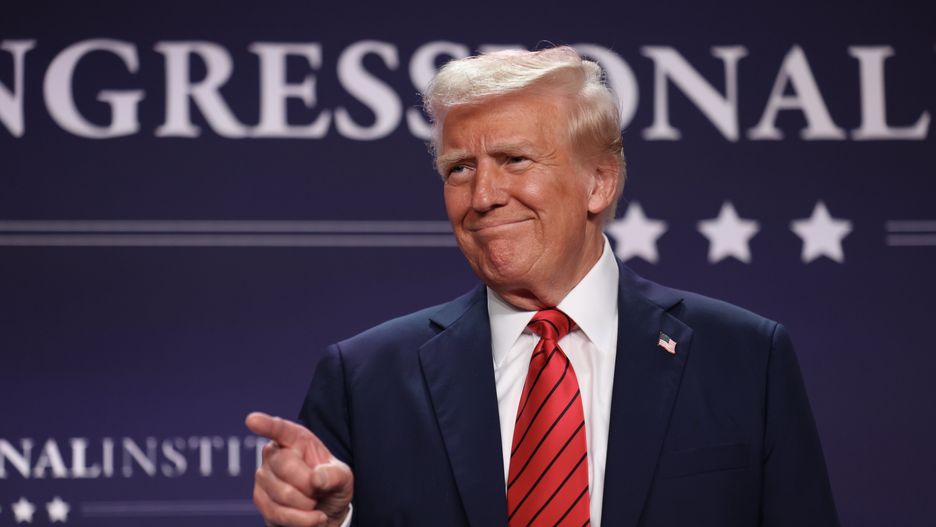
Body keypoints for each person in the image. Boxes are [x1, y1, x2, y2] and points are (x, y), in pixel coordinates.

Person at [245, 46, 840, 527]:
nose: (482, 196)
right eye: (460, 169)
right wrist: (332, 524)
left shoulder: (745, 358)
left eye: (515, 160)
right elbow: (318, 510)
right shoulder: (364, 378)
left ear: (599, 183)